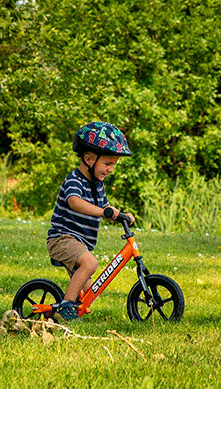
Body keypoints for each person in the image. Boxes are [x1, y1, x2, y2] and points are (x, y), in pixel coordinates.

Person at [47, 122, 135, 320]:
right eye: (108, 164)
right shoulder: (74, 180)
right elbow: (74, 202)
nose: (111, 169)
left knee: (89, 291)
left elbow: (106, 208)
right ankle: (66, 307)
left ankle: (68, 310)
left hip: (79, 242)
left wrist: (122, 215)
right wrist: (103, 212)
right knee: (90, 263)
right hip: (62, 238)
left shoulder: (98, 186)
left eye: (113, 164)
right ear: (88, 159)